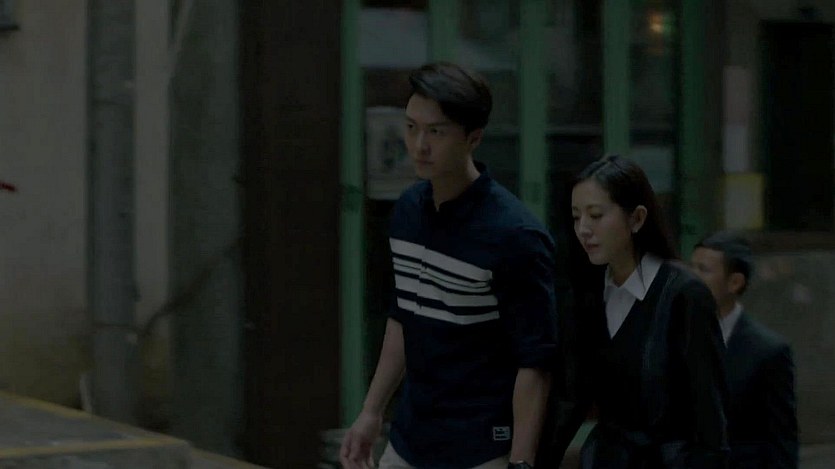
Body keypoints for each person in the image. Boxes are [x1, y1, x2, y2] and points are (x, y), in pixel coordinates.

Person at [340, 62, 558, 469]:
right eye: (411, 128)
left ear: (473, 138)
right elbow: (403, 318)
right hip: (409, 438)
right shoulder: (408, 210)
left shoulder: (514, 235)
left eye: (436, 132)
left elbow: (535, 363)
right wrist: (371, 412)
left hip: (480, 448)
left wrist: (521, 462)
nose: (419, 145)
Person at [549, 154, 729, 468]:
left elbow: (710, 418)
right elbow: (571, 398)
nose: (583, 229)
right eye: (576, 217)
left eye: (595, 215)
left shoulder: (683, 295)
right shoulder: (587, 294)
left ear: (637, 219)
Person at [691, 232, 798, 469]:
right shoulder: (672, 333)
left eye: (703, 269)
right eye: (692, 267)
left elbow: (781, 441)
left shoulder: (767, 351)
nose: (692, 277)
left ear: (734, 282)